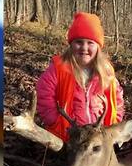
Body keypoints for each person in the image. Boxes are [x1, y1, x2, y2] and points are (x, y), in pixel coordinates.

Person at [36, 12, 125, 142]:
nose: (84, 48)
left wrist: (115, 121)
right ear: (71, 45)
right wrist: (53, 120)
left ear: (98, 47)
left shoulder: (106, 71)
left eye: (90, 43)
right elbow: (44, 94)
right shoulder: (59, 69)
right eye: (79, 42)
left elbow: (117, 100)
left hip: (97, 137)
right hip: (67, 135)